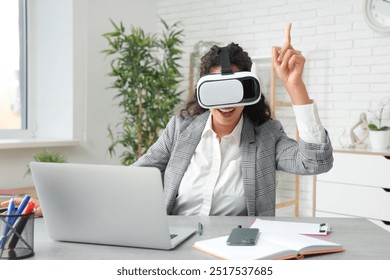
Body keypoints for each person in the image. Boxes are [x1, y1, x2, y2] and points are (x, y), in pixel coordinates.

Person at [1, 23, 333, 217]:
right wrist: (58, 202)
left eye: (235, 89)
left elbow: (315, 162)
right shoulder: (180, 130)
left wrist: (294, 85)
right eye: (216, 90)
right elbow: (132, 180)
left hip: (237, 253)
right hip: (172, 248)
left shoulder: (267, 136)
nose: (227, 102)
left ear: (248, 90)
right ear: (202, 92)